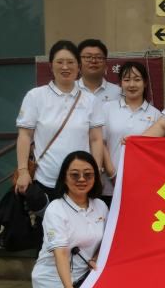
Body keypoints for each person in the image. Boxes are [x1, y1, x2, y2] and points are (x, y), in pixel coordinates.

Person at [15, 40, 105, 204]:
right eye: (60, 62)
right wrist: (23, 171)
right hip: (45, 180)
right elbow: (25, 136)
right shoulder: (35, 96)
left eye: (70, 62)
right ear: (51, 66)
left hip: (80, 181)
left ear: (79, 66)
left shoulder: (90, 100)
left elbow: (96, 139)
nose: (65, 67)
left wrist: (97, 171)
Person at [31, 151, 107, 288]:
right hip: (56, 283)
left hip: (87, 276)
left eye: (88, 174)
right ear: (64, 177)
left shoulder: (100, 206)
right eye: (74, 175)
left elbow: (105, 240)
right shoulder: (56, 209)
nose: (81, 179)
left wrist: (95, 257)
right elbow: (61, 253)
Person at [100, 62, 161, 206]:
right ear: (120, 83)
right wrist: (112, 174)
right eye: (127, 80)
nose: (132, 84)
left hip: (142, 186)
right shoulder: (107, 108)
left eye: (137, 79)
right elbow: (100, 143)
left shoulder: (156, 115)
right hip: (109, 186)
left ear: (145, 83)